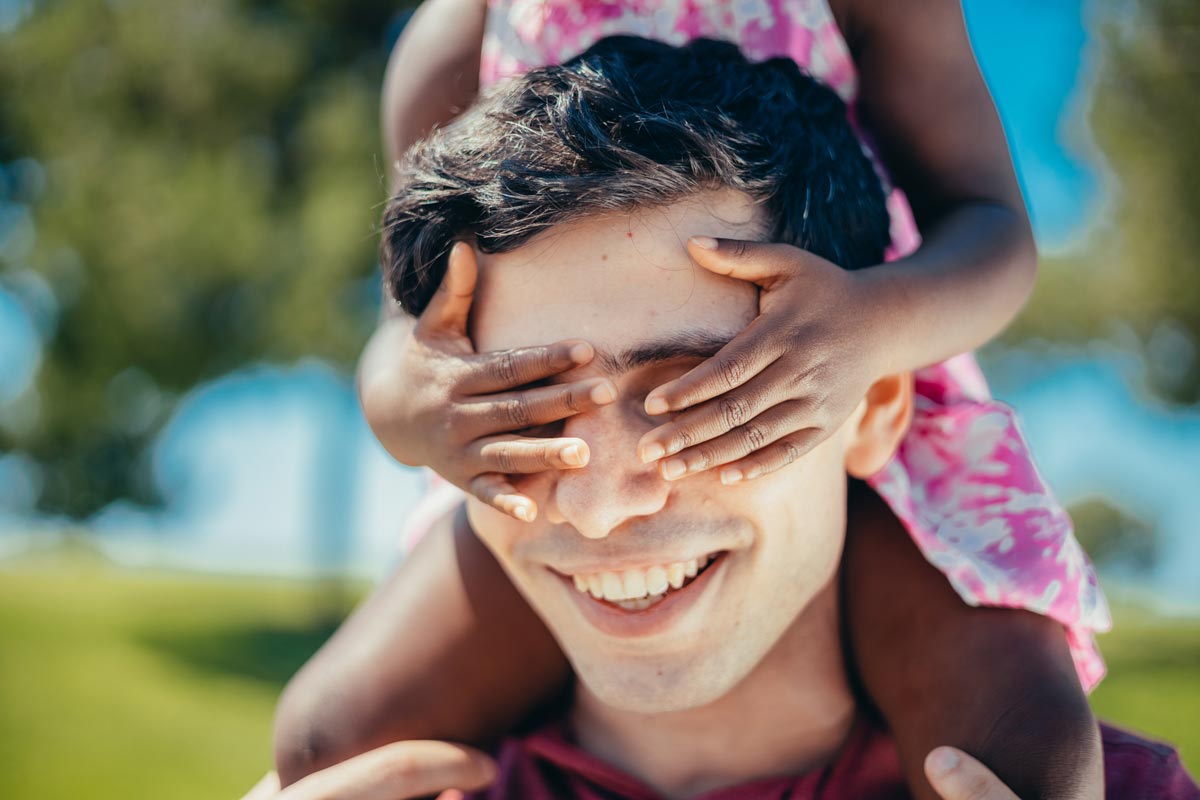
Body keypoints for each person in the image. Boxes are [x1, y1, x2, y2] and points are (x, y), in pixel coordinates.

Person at [251, 38, 1198, 800]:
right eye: (531, 411)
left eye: (704, 396)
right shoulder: (446, 45)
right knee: (325, 738)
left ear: (876, 406)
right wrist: (406, 397)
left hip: (870, 328)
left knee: (1026, 760)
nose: (603, 503)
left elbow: (989, 221)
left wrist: (873, 331)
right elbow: (404, 331)